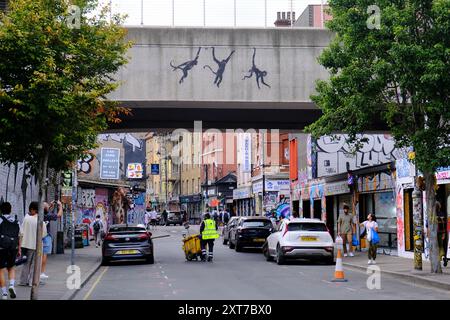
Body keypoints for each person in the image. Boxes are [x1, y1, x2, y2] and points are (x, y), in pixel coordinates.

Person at [19, 202, 47, 287]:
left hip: (27, 245)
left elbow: (21, 233)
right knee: (36, 265)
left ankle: (23, 281)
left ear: (33, 209)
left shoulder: (26, 219)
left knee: (26, 264)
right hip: (38, 246)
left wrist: (20, 246)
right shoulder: (41, 221)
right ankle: (32, 282)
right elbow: (44, 234)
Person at [0, 202, 20, 299]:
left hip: (2, 248)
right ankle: (11, 285)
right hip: (13, 248)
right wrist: (19, 249)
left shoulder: (0, 220)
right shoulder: (16, 221)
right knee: (11, 267)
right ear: (10, 210)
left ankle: (4, 293)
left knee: (0, 270)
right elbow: (19, 236)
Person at [41, 201, 62, 280]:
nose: (49, 206)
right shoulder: (48, 215)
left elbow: (46, 211)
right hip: (46, 236)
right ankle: (41, 272)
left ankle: (37, 272)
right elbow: (59, 215)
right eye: (47, 206)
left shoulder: (40, 214)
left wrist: (50, 206)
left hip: (39, 236)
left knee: (39, 254)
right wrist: (60, 206)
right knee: (44, 254)